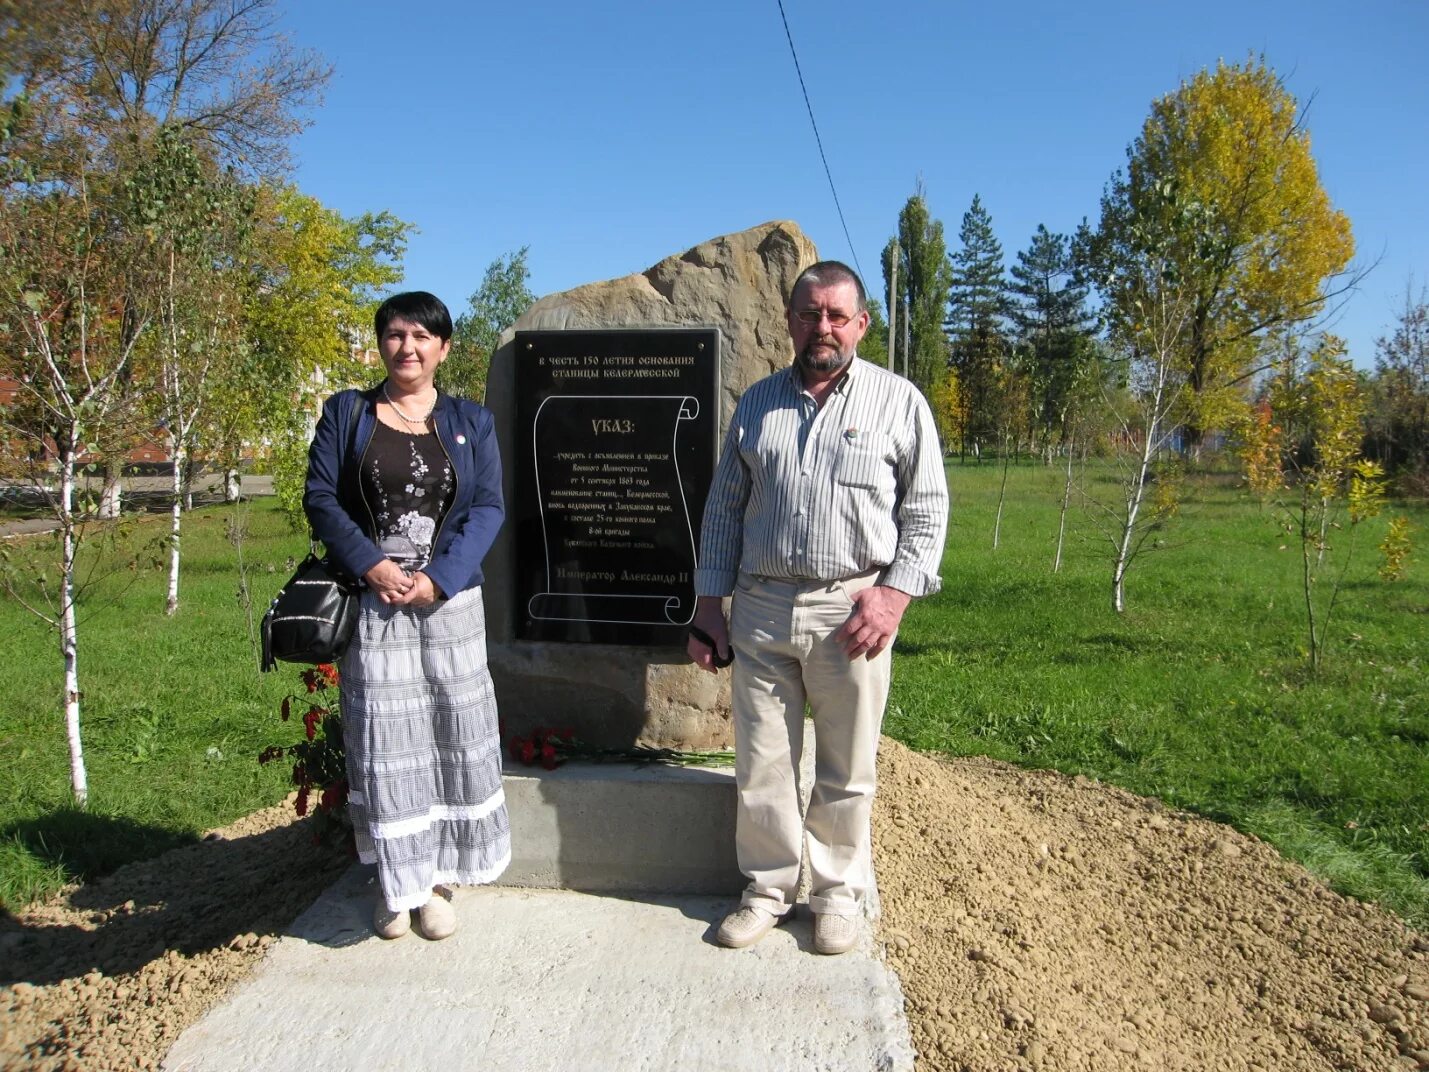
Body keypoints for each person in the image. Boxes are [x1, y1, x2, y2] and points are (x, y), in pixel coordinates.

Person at [687, 260, 948, 955]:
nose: (821, 327)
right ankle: (768, 889)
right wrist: (708, 606)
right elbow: (723, 511)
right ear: (790, 320)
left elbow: (925, 514)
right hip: (763, 607)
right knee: (762, 763)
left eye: (836, 314)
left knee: (846, 766)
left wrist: (893, 595)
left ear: (861, 323)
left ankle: (836, 894)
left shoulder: (898, 403)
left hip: (851, 610)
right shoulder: (757, 405)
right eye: (809, 313)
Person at [304, 291, 509, 941]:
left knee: (449, 736)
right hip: (375, 603)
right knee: (386, 746)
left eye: (423, 336)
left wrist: (436, 579)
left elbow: (485, 508)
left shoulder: (470, 422)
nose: (408, 347)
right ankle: (398, 883)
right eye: (395, 334)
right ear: (380, 343)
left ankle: (439, 880)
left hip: (448, 605)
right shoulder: (349, 413)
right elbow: (321, 498)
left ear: (444, 348)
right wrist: (373, 565)